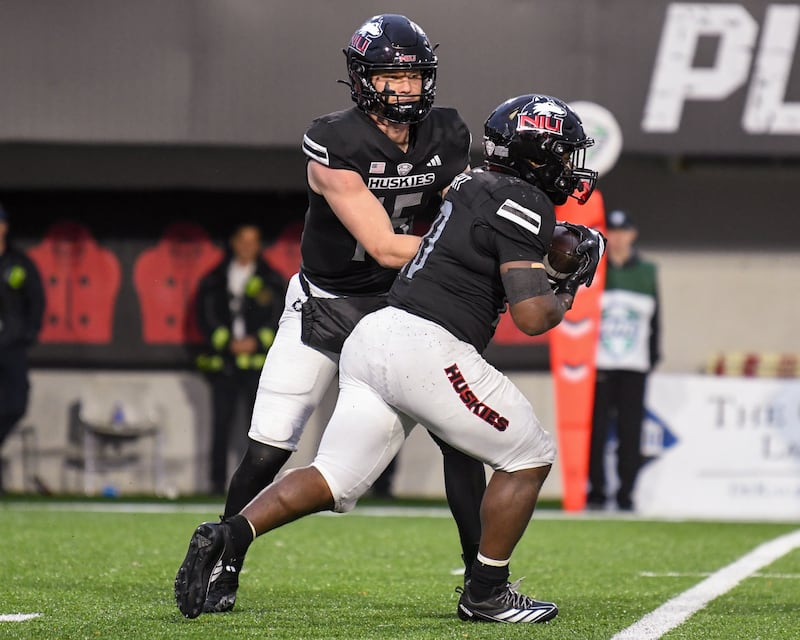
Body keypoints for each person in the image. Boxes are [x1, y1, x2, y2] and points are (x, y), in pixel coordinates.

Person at [175, 93, 605, 624]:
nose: (570, 166)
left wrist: (543, 262)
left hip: (375, 334)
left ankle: (227, 532)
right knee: (529, 455)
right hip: (426, 346)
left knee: (333, 476)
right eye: (562, 153)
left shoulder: (470, 183)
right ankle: (487, 592)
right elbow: (533, 316)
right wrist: (567, 288)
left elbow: (478, 249)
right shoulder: (523, 201)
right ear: (534, 155)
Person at [198, 14, 486, 613]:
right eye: (390, 76)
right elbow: (383, 246)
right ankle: (222, 557)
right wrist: (476, 256)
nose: (404, 90)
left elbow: (462, 214)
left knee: (460, 440)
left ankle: (483, 583)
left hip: (402, 308)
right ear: (361, 79)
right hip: (327, 306)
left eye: (413, 77)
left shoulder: (449, 133)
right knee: (269, 448)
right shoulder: (334, 141)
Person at [195, 223, 286, 495]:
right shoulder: (215, 278)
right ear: (233, 242)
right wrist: (227, 343)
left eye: (254, 241)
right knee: (220, 425)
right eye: (243, 240)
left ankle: (256, 486)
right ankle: (215, 484)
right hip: (224, 366)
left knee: (258, 430)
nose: (248, 246)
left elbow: (280, 317)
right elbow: (205, 315)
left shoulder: (271, 279)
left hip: (258, 368)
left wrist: (256, 341)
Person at [587, 209, 660, 512]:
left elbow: (658, 319)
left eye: (622, 232)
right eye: (611, 232)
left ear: (632, 234)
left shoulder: (646, 272)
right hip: (598, 365)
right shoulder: (596, 270)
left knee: (631, 433)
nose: (617, 239)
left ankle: (626, 493)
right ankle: (597, 492)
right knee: (596, 431)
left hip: (634, 366)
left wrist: (653, 357)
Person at [0, 203, 45, 493]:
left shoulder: (18, 263)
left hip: (10, 347)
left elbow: (36, 301)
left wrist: (26, 335)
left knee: (16, 403)